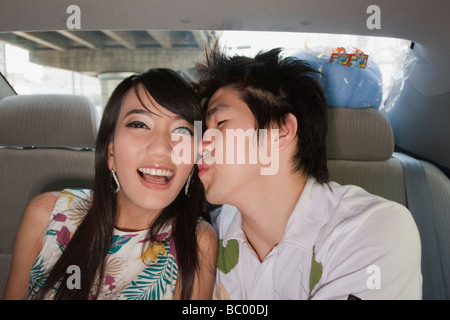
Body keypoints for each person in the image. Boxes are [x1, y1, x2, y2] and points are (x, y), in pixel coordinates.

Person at [194, 46, 422, 299]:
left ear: (280, 130)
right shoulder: (207, 233)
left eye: (221, 123)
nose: (201, 143)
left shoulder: (376, 230)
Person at [3, 68, 217, 300]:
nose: (161, 148)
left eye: (182, 130)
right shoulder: (47, 215)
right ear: (111, 152)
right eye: (139, 124)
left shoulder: (196, 242)